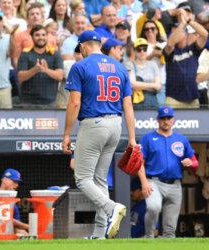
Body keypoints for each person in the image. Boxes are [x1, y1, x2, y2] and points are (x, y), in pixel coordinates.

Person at [62, 30, 137, 239]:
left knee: (83, 178)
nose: (80, 51)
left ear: (85, 45)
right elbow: (128, 105)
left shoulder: (80, 66)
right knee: (99, 178)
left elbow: (75, 102)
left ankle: (111, 207)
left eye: (80, 48)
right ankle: (99, 232)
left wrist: (66, 134)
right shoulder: (119, 66)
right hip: (116, 124)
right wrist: (132, 138)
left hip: (94, 123)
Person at [137, 106, 198, 238]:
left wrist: (191, 163)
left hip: (175, 184)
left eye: (168, 118)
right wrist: (143, 183)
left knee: (170, 230)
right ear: (158, 120)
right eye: (163, 118)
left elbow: (195, 163)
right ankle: (149, 236)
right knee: (153, 207)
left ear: (173, 119)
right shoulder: (148, 138)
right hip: (154, 181)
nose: (166, 121)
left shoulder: (181, 139)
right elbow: (139, 163)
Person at [164, 7, 208, 108]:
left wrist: (188, 20)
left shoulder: (193, 49)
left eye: (180, 31)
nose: (177, 33)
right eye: (174, 31)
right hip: (173, 98)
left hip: (192, 97)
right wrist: (182, 24)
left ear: (186, 34)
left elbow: (204, 34)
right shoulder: (171, 51)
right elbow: (170, 44)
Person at [17, 25, 64, 108]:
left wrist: (46, 70)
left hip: (49, 101)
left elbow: (60, 76)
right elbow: (20, 77)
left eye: (43, 35)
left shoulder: (55, 54)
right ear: (32, 37)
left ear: (47, 37)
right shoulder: (25, 54)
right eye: (37, 35)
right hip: (28, 101)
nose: (41, 37)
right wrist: (35, 69)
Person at [0, 168, 29, 236]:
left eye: (17, 182)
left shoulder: (11, 199)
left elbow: (13, 224)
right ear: (4, 180)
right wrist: (28, 226)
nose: (17, 185)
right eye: (14, 181)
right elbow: (4, 219)